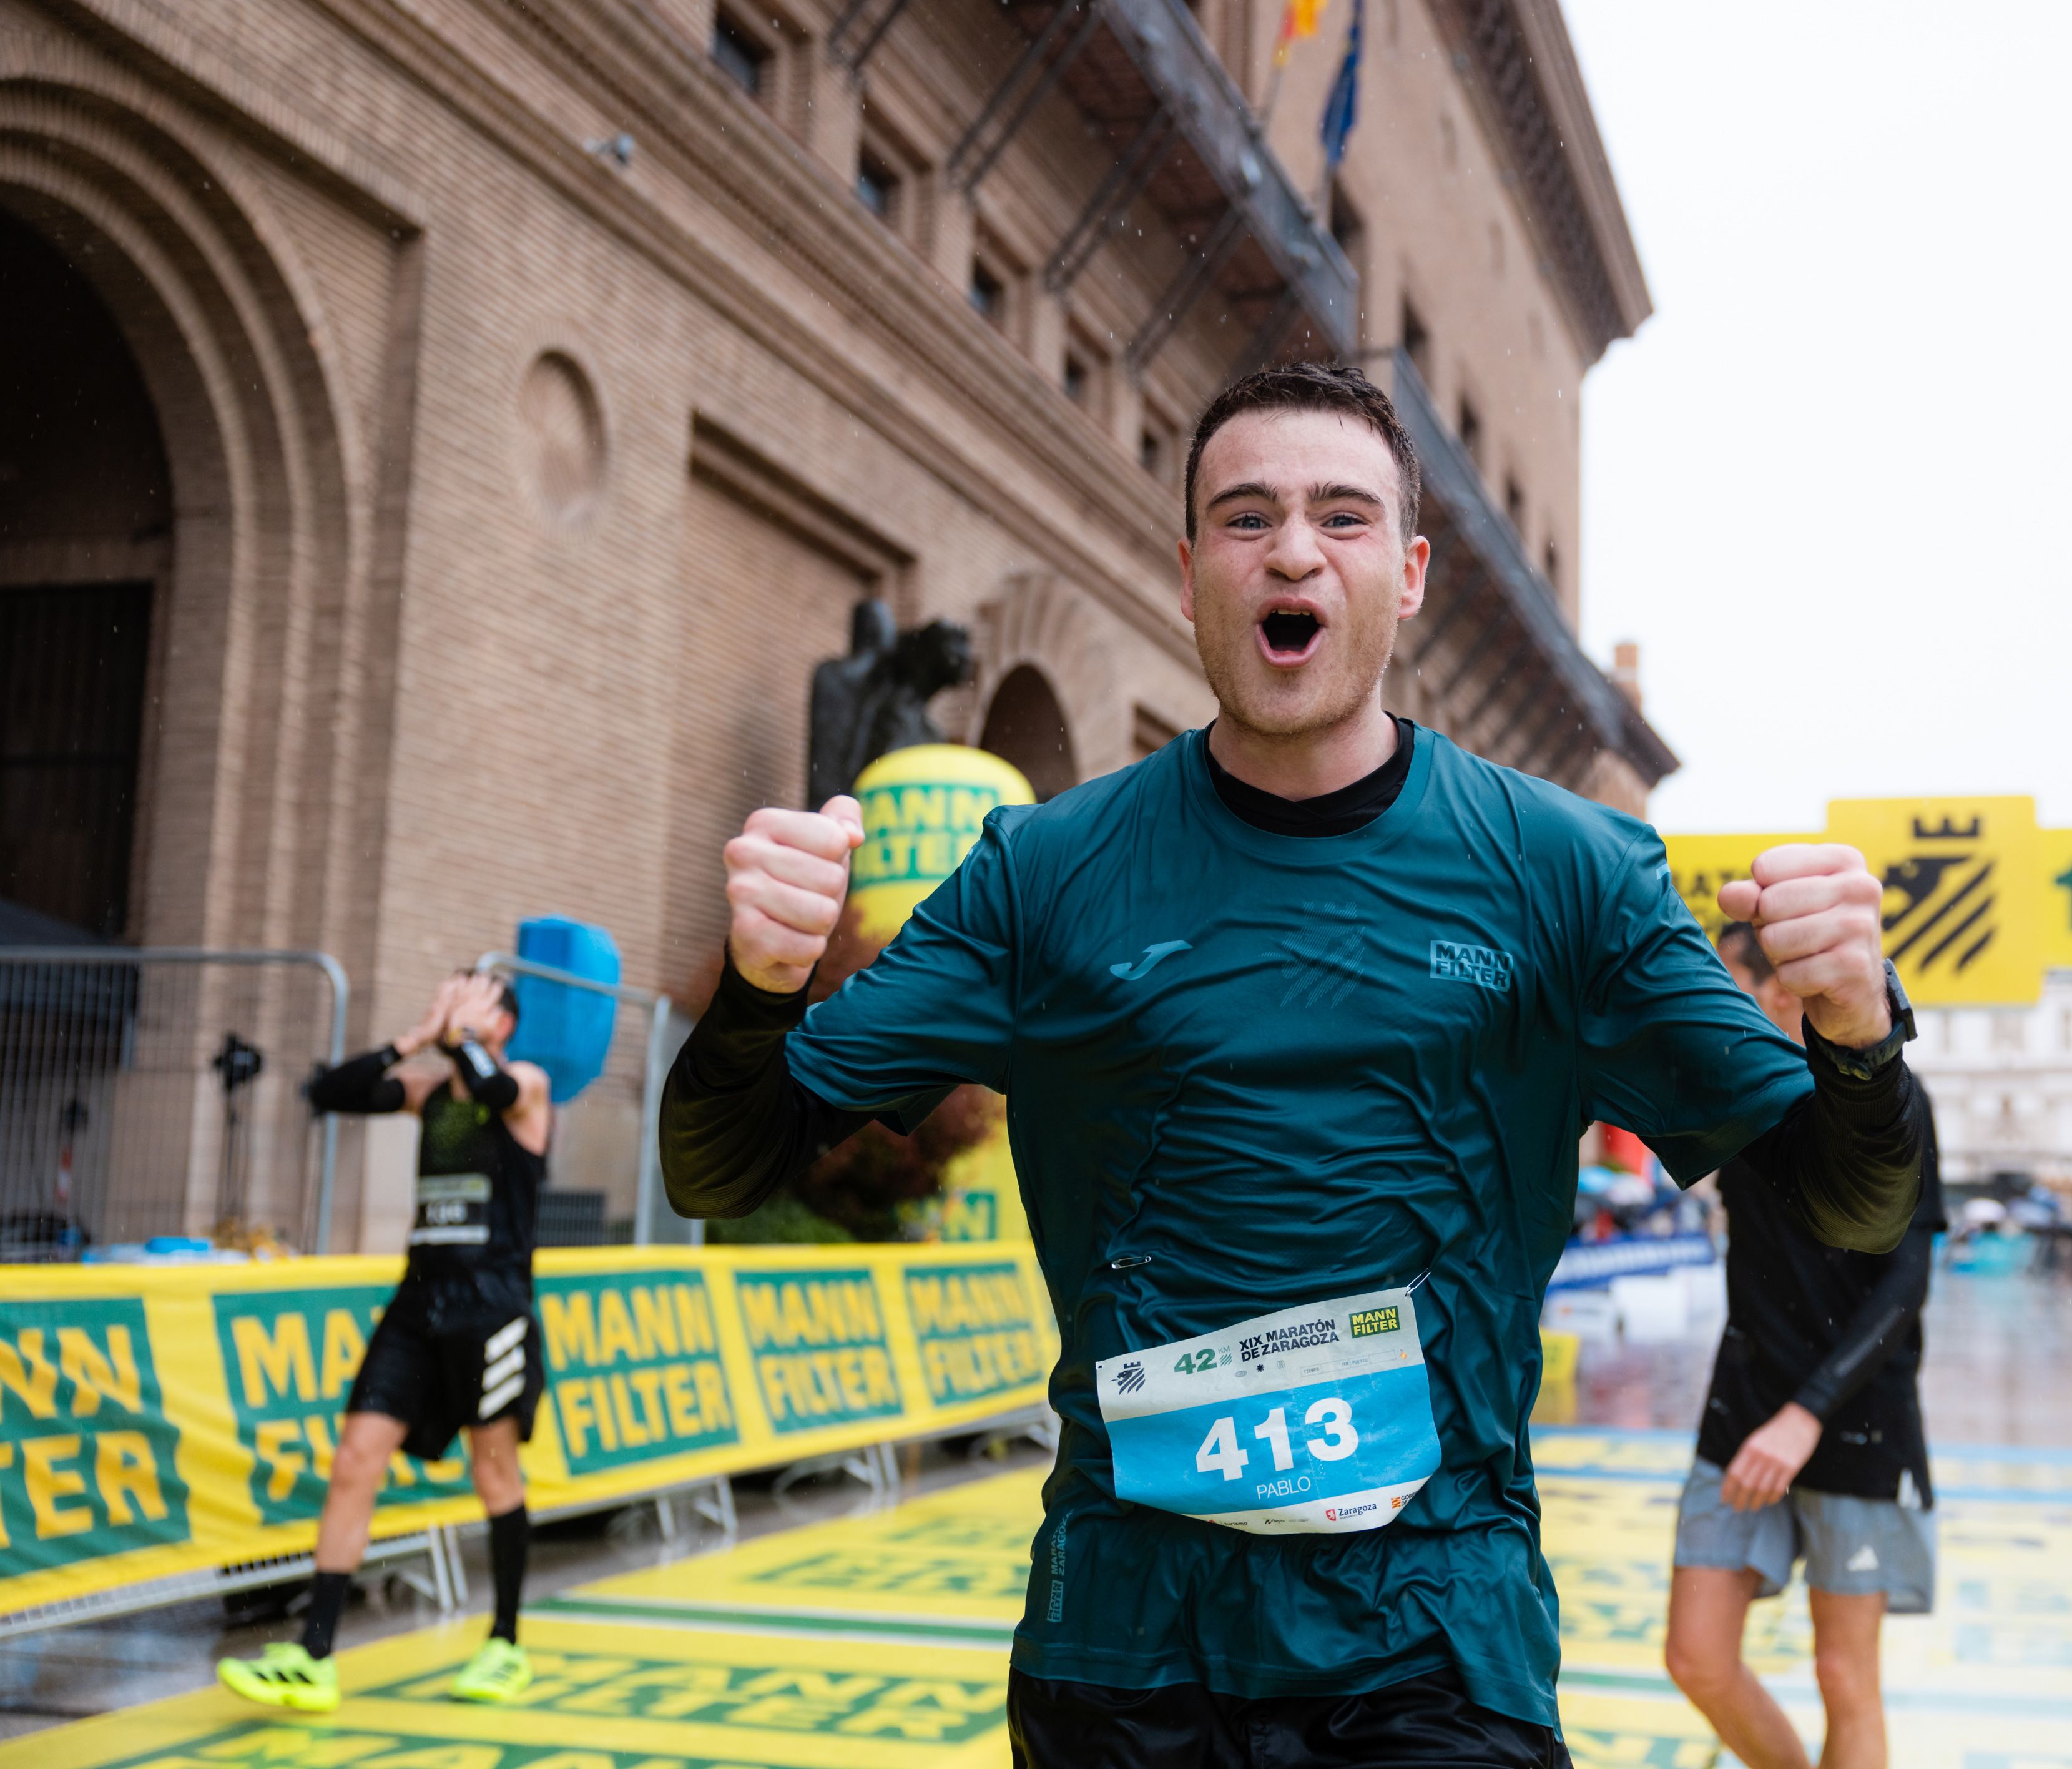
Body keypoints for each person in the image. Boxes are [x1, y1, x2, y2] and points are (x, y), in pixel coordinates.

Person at [662, 363, 1926, 1767]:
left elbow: (1854, 1204)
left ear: (1409, 573)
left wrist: (1858, 1029)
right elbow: (721, 1159)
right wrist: (760, 994)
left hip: (1434, 1641)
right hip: (1126, 1645)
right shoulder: (1043, 875)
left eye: (1343, 515)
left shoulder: (1567, 874)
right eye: (1248, 515)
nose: (1294, 549)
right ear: (1190, 565)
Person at [217, 971, 553, 1713]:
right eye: (454, 992)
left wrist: (460, 1035)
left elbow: (495, 1092)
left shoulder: (525, 1083)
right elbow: (332, 1093)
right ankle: (314, 1654)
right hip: (418, 1302)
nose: (456, 1004)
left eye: (475, 996)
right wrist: (412, 1037)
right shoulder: (431, 1092)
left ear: (502, 1022)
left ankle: (504, 1642)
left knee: (493, 1471)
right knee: (354, 1457)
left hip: (490, 1307)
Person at [1663, 922, 1946, 1769]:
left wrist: (1807, 1413)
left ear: (1781, 989)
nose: (1719, 998)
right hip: (1742, 1408)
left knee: (1841, 1671)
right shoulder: (1733, 1094)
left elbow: (1904, 1285)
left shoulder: (1890, 1098)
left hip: (1852, 1416)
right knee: (1696, 1657)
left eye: (1732, 981)